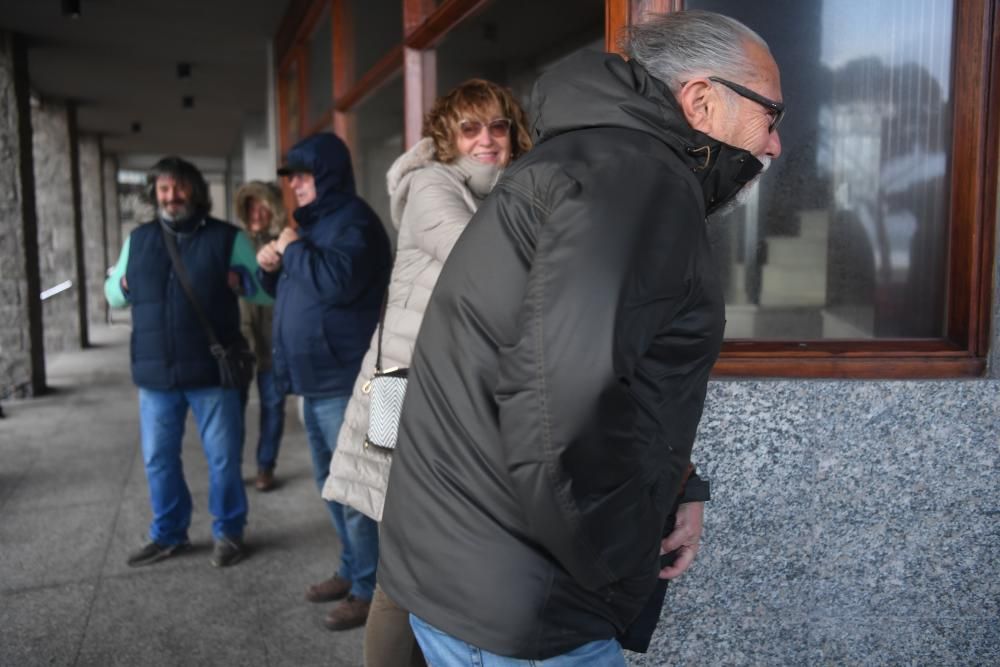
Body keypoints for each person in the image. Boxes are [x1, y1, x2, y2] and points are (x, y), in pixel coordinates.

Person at [377, 10, 784, 665]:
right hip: (525, 597)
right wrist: (623, 554)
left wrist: (677, 484)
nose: (774, 144)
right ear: (702, 100)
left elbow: (607, 378)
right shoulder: (637, 179)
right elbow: (560, 408)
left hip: (476, 568)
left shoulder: (598, 161)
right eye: (772, 114)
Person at [322, 80, 532, 666]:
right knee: (407, 564)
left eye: (498, 127)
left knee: (429, 561)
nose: (486, 140)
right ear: (446, 137)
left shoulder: (506, 193)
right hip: (416, 398)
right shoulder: (431, 185)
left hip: (455, 399)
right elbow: (487, 259)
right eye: (470, 129)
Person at [105, 156, 273, 569]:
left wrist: (246, 280)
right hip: (156, 374)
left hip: (212, 373)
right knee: (158, 458)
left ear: (195, 191)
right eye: (163, 189)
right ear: (154, 194)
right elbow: (113, 294)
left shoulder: (227, 239)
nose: (171, 196)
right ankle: (168, 534)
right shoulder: (139, 239)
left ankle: (229, 533)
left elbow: (262, 293)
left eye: (179, 188)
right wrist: (119, 285)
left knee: (222, 458)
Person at [256, 132, 392, 631]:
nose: (294, 185)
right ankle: (352, 569)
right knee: (332, 488)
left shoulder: (355, 221)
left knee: (358, 493)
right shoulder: (312, 227)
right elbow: (302, 284)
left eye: (303, 175)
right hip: (319, 382)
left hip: (354, 381)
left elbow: (337, 282)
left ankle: (369, 587)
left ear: (328, 175)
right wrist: (273, 266)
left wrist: (290, 250)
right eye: (291, 177)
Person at [234, 181, 288, 492]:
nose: (257, 212)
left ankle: (265, 466)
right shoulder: (235, 242)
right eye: (251, 206)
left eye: (263, 206)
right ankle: (234, 465)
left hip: (274, 338)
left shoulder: (285, 242)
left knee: (273, 405)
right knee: (235, 407)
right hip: (240, 339)